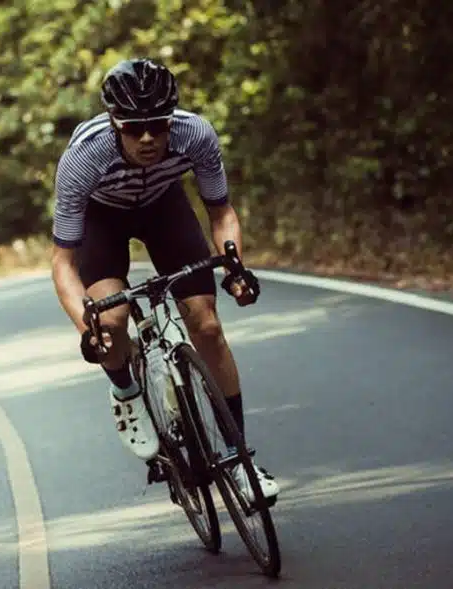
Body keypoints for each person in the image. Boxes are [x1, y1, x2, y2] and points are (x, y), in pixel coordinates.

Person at [49, 57, 279, 502]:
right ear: (115, 124)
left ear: (171, 119)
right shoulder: (83, 157)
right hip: (104, 218)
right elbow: (62, 264)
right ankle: (126, 390)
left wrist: (234, 270)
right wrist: (88, 328)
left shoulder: (196, 134)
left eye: (158, 124)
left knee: (207, 325)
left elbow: (221, 213)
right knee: (112, 322)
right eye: (134, 129)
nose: (149, 137)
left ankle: (239, 461)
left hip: (163, 206)